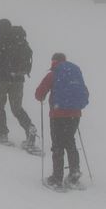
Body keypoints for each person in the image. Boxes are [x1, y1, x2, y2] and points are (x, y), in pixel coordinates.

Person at [34, 52, 89, 187]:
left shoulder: (53, 74)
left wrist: (43, 97)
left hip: (58, 115)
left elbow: (39, 94)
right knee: (70, 142)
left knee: (58, 145)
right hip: (75, 114)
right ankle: (74, 173)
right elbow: (85, 92)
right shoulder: (75, 73)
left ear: (53, 62)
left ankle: (57, 178)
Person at [0, 19, 38, 148]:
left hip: (2, 78)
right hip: (18, 79)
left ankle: (2, 133)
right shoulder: (21, 41)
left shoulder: (0, 40)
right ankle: (29, 127)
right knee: (17, 108)